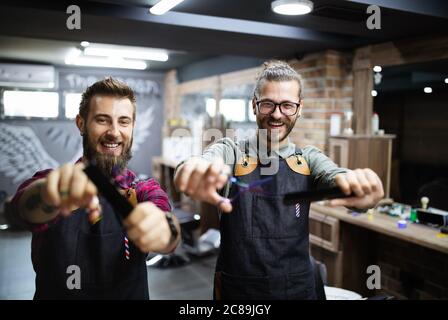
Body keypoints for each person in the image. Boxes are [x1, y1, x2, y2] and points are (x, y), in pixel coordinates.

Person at [174, 61, 384, 300]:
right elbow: (203, 161)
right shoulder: (232, 152)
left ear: (299, 108)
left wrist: (360, 189)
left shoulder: (308, 159)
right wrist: (191, 169)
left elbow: (335, 176)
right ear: (254, 105)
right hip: (240, 290)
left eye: (287, 105)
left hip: (298, 289)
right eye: (267, 104)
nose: (276, 114)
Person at [11, 77, 181, 300]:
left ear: (132, 127)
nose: (114, 131)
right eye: (102, 120)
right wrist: (49, 195)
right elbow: (21, 210)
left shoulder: (143, 190)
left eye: (124, 121)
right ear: (81, 123)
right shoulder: (49, 181)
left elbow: (167, 228)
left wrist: (164, 231)